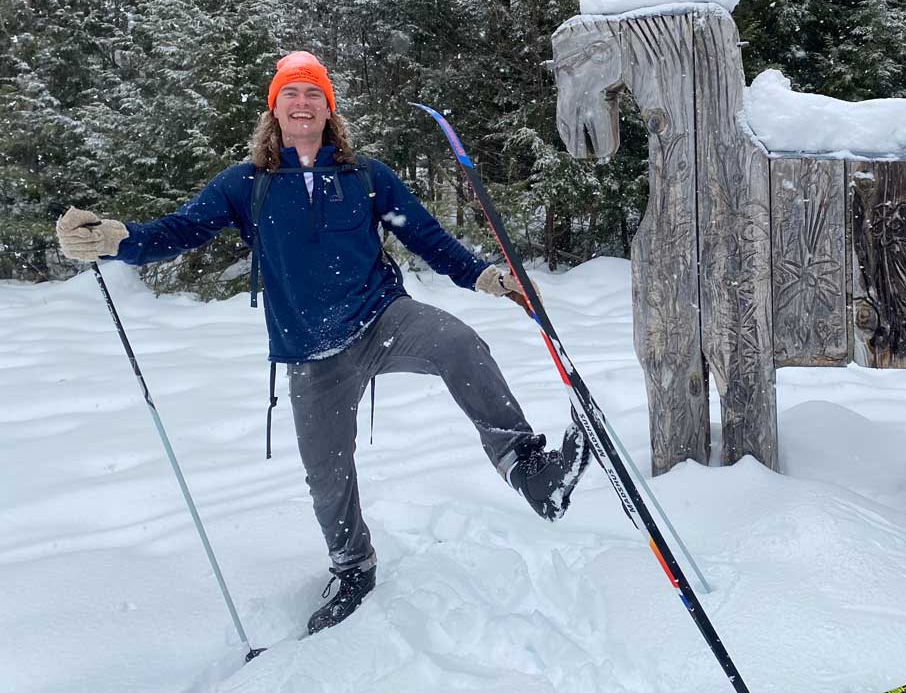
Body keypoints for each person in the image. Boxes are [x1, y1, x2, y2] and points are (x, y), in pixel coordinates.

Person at [55, 51, 591, 635]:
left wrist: (486, 276)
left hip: (382, 317)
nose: (303, 102)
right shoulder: (246, 185)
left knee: (460, 344)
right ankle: (353, 566)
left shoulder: (365, 176)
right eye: (292, 93)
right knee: (327, 474)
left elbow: (427, 237)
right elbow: (180, 231)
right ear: (275, 108)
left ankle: (529, 468)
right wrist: (117, 240)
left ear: (328, 108)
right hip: (310, 350)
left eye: (314, 93)